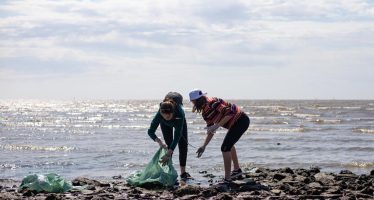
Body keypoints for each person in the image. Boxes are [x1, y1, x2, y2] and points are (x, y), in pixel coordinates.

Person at [189, 89, 250, 186]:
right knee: (229, 145)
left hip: (241, 120)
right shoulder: (205, 113)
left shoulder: (212, 102)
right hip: (235, 124)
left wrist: (216, 125)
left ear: (197, 100)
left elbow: (230, 113)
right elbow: (211, 131)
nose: (193, 104)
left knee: (225, 148)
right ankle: (237, 170)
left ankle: (227, 179)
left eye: (193, 102)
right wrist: (204, 146)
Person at [147, 92, 192, 180]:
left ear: (173, 112)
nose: (167, 117)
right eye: (165, 116)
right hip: (165, 125)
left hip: (178, 121)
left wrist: (170, 151)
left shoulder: (180, 113)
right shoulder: (159, 115)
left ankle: (183, 173)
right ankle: (168, 171)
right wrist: (159, 141)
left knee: (183, 145)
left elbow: (177, 134)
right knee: (168, 144)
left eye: (169, 116)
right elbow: (150, 131)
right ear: (161, 113)